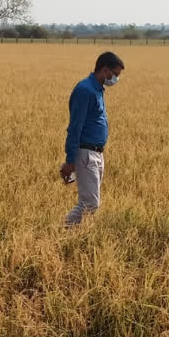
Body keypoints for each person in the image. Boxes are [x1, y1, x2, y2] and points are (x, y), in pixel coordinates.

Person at [60, 52, 125, 226]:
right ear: (105, 70)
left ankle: (75, 234)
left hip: (96, 154)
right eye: (115, 75)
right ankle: (64, 230)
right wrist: (70, 160)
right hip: (86, 153)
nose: (115, 79)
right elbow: (75, 127)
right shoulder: (85, 90)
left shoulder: (96, 89)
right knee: (90, 204)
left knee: (91, 203)